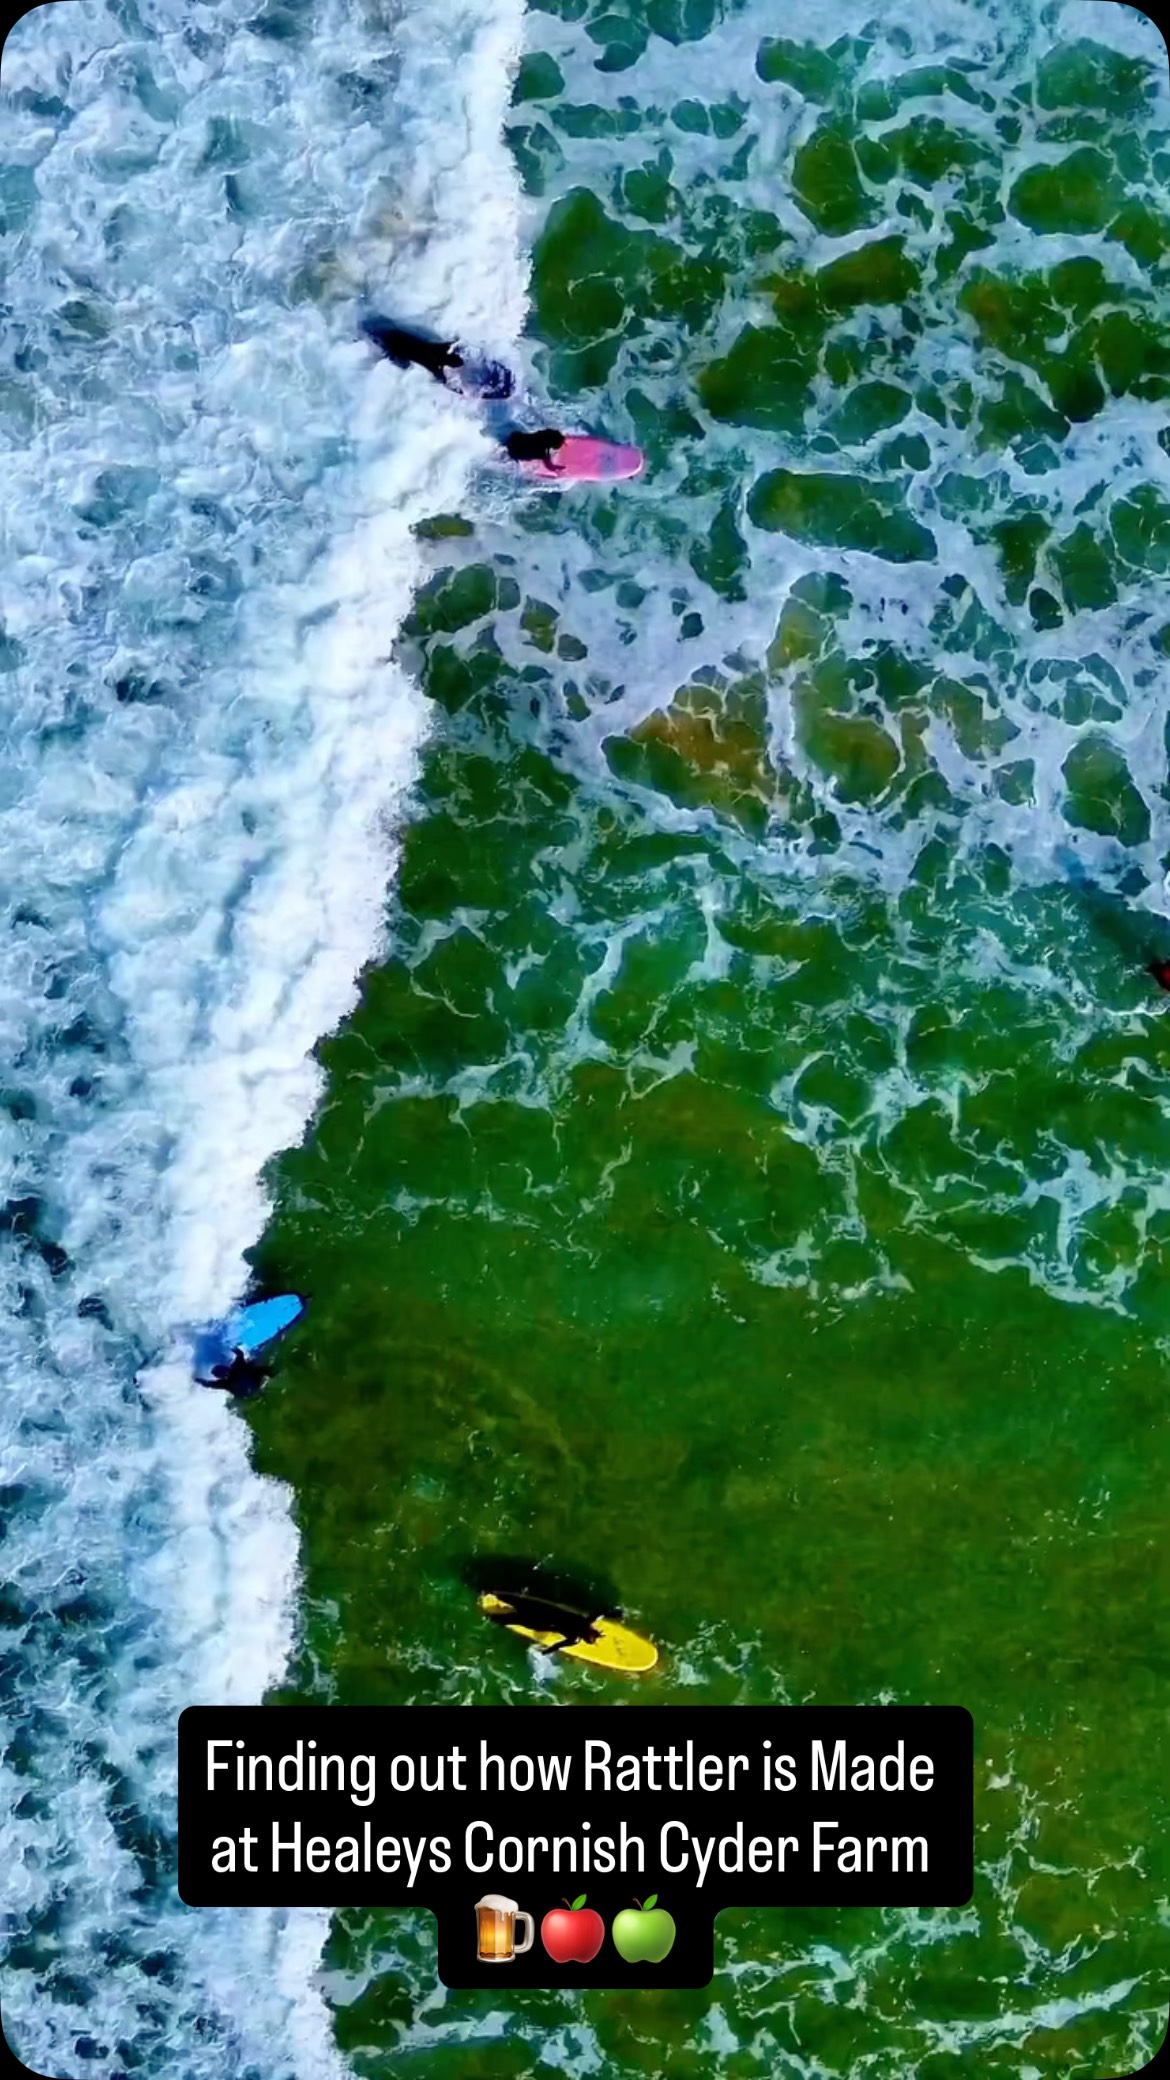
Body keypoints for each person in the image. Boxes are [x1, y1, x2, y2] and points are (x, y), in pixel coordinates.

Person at [361, 318, 514, 402]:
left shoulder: (442, 352)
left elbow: (451, 352)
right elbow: (444, 378)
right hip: (407, 349)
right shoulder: (440, 364)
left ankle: (371, 335)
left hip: (403, 342)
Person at [480, 1589, 602, 1654]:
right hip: (539, 1623)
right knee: (514, 1618)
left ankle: (491, 1593)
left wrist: (608, 1612)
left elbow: (597, 1614)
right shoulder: (574, 1638)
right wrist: (545, 1652)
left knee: (518, 1602)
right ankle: (490, 1616)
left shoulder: (585, 1622)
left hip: (543, 1611)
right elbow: (557, 1646)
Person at [200, 1350, 271, 1401]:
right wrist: (197, 1379)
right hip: (251, 1391)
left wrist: (232, 1348)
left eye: (224, 1369)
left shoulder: (236, 1366)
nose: (226, 1372)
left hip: (255, 1381)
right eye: (223, 1373)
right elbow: (208, 1384)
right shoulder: (225, 1383)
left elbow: (240, 1354)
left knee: (253, 1363)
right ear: (221, 1377)